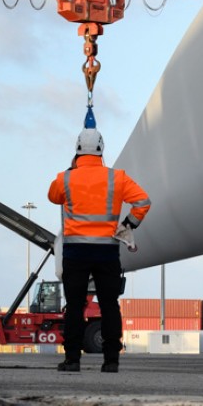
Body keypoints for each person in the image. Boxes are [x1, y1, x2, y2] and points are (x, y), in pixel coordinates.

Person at [49, 122, 150, 373]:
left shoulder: (66, 178)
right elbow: (143, 202)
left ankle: (72, 360)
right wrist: (128, 224)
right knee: (109, 305)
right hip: (106, 252)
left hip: (75, 253)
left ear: (77, 150)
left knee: (74, 306)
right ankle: (111, 361)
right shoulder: (118, 178)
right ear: (101, 150)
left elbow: (53, 196)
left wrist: (72, 170)